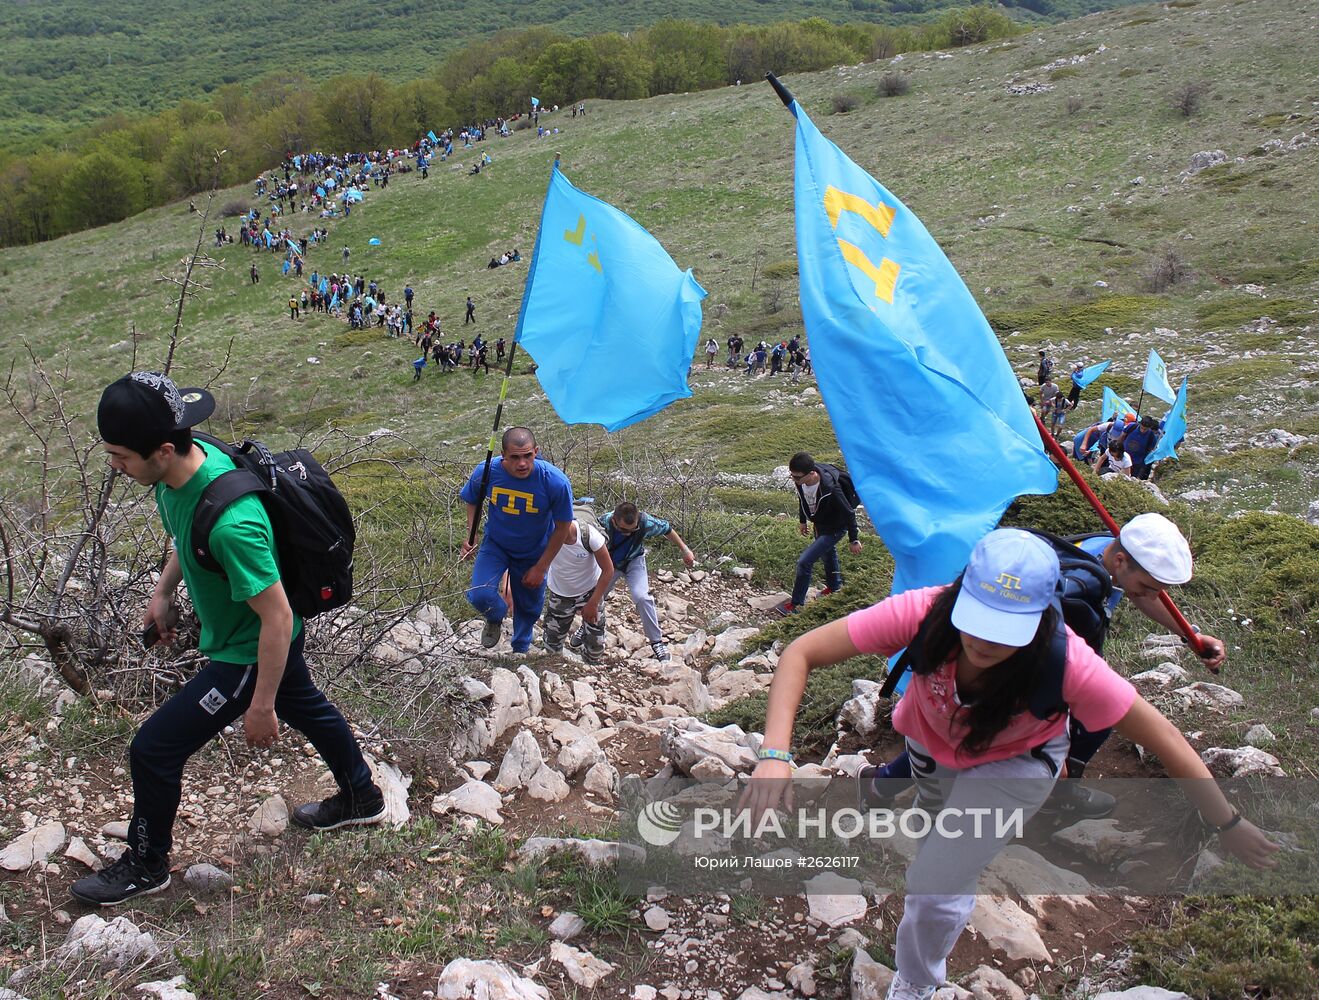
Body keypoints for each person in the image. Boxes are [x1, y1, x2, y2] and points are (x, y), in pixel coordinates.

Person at [742, 528, 1277, 1000]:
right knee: (937, 818)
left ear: (1043, 617)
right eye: (977, 619)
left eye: (1007, 627)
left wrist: (1226, 822)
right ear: (961, 595)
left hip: (1015, 767)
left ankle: (917, 980)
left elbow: (1165, 738)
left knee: (934, 877)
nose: (985, 640)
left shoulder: (1069, 661)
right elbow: (801, 653)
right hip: (930, 747)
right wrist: (774, 756)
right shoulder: (926, 610)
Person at [75, 374, 385, 906]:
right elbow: (183, 532)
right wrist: (163, 592)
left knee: (153, 749)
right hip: (252, 641)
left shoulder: (234, 524)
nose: (114, 466)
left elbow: (280, 619)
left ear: (164, 449)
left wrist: (259, 704)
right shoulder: (177, 476)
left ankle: (147, 865)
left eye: (121, 456)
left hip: (247, 652)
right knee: (306, 705)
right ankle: (362, 794)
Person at [863, 512, 1228, 818]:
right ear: (1121, 561)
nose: (1149, 595)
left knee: (945, 735)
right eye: (1149, 585)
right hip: (1011, 672)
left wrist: (1188, 634)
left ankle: (880, 784)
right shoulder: (1080, 592)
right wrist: (1057, 743)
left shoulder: (1098, 547)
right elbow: (1050, 661)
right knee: (970, 736)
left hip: (1003, 665)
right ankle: (1054, 794)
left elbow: (1140, 594)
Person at [459, 428, 573, 654]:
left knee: (529, 606)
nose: (522, 463)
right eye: (515, 457)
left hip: (534, 550)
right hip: (496, 544)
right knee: (480, 593)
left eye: (528, 455)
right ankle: (495, 616)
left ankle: (520, 649)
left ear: (536, 452)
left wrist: (541, 567)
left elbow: (563, 528)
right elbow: (473, 499)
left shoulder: (554, 482)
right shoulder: (486, 472)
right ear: (503, 455)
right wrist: (471, 534)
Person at [585, 502, 695, 663]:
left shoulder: (644, 522)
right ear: (615, 521)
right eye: (623, 530)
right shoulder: (602, 523)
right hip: (609, 564)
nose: (628, 534)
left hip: (634, 561)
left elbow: (667, 529)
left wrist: (685, 550)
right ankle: (585, 629)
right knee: (596, 597)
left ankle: (657, 642)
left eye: (633, 530)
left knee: (642, 597)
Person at [775, 453, 861, 617]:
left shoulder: (831, 488)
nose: (794, 480)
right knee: (828, 554)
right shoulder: (801, 481)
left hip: (835, 527)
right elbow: (803, 499)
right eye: (792, 475)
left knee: (804, 562)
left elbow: (849, 513)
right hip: (820, 524)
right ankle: (835, 588)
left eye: (797, 477)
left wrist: (854, 539)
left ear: (811, 473)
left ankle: (796, 604)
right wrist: (802, 520)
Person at [541, 517, 614, 664]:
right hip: (560, 594)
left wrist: (593, 602)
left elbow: (608, 570)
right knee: (551, 645)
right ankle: (557, 671)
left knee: (596, 645)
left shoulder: (589, 536)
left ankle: (589, 668)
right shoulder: (544, 536)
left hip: (590, 591)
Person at [1113, 415, 1160, 480]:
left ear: (1150, 427)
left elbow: (1149, 451)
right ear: (1140, 424)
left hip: (1136, 463)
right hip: (1122, 457)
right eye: (1142, 428)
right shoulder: (1132, 426)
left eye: (1145, 429)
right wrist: (1116, 448)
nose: (1143, 430)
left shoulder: (1151, 437)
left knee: (1129, 479)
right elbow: (1122, 436)